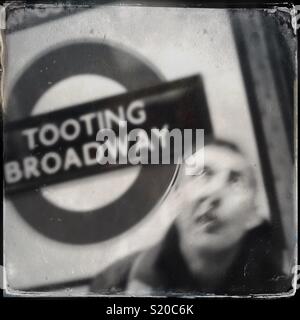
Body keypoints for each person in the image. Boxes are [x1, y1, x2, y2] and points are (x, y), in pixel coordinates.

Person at [90, 139, 284, 296]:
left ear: (253, 216)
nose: (215, 193)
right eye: (202, 174)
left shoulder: (281, 289)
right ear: (176, 198)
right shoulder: (113, 285)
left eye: (235, 180)